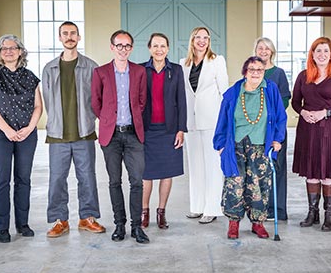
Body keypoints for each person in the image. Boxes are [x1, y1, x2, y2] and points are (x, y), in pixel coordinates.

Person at [42, 21, 105, 238]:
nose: (69, 37)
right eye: (65, 33)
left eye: (73, 33)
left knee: (87, 176)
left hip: (84, 132)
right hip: (58, 133)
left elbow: (98, 98)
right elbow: (48, 101)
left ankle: (87, 218)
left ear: (79, 38)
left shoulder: (91, 66)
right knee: (57, 178)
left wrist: (90, 119)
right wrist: (57, 121)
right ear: (60, 38)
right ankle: (60, 220)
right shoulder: (49, 68)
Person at [214, 56, 287, 239]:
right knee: (235, 184)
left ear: (264, 72)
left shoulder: (270, 90)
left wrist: (278, 139)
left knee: (259, 186)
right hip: (236, 146)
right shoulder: (233, 92)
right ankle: (233, 223)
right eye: (252, 69)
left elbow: (280, 117)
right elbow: (222, 120)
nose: (256, 73)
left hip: (261, 146)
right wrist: (221, 145)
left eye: (260, 70)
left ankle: (257, 223)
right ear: (245, 72)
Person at [0, 34, 43, 243]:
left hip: (27, 134)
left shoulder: (30, 77)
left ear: (20, 51)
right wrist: (7, 129)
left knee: (23, 179)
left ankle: (23, 223)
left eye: (12, 48)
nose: (8, 51)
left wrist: (30, 127)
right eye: (4, 48)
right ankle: (2, 227)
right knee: (1, 180)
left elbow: (38, 106)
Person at [91, 29, 149, 244]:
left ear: (131, 48)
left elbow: (142, 101)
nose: (123, 49)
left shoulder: (139, 72)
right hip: (111, 136)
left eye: (127, 46)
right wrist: (107, 119)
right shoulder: (101, 72)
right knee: (115, 181)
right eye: (119, 45)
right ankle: (119, 225)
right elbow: (95, 102)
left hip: (134, 135)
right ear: (112, 47)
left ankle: (136, 227)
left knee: (136, 181)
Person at [292, 37, 331, 232]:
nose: (322, 54)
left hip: (330, 130)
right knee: (311, 174)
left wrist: (325, 113)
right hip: (307, 129)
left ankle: (329, 215)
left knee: (328, 174)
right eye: (318, 51)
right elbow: (295, 102)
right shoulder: (303, 76)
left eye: (326, 51)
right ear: (312, 54)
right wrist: (303, 112)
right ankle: (312, 213)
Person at [180, 26, 229, 224]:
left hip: (212, 121)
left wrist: (225, 123)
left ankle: (212, 208)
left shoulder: (217, 61)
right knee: (195, 166)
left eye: (206, 38)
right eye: (198, 37)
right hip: (191, 122)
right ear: (192, 41)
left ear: (209, 41)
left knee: (213, 167)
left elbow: (225, 92)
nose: (202, 41)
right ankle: (197, 206)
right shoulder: (183, 64)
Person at [140, 33, 187, 230]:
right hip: (147, 130)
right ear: (149, 48)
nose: (159, 50)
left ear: (168, 49)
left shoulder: (176, 70)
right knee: (146, 174)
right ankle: (144, 212)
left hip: (169, 130)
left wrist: (181, 129)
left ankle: (161, 212)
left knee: (167, 173)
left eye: (163, 46)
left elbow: (181, 101)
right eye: (155, 46)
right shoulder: (141, 70)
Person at [254, 37, 291, 221]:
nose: (263, 51)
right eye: (260, 48)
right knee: (258, 169)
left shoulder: (279, 73)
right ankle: (258, 207)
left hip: (275, 127)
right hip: (256, 129)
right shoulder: (251, 72)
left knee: (277, 167)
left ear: (272, 52)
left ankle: (277, 209)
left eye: (267, 48)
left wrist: (270, 113)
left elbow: (285, 99)